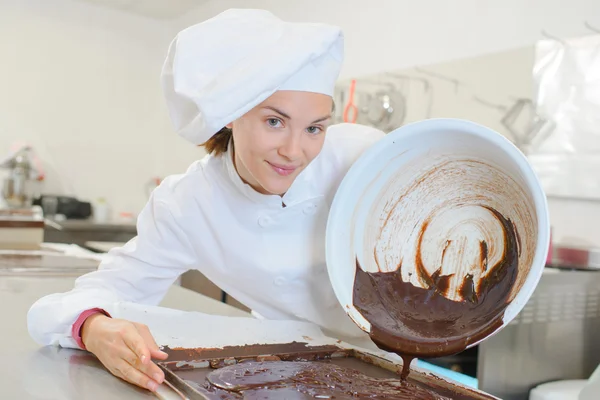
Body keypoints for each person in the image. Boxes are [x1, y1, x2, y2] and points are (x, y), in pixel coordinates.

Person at [27, 8, 385, 393]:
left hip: (394, 360)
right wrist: (95, 327)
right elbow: (89, 296)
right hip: (293, 368)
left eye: (314, 128)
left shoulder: (366, 158)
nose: (294, 152)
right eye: (274, 122)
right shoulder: (188, 204)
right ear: (230, 114)